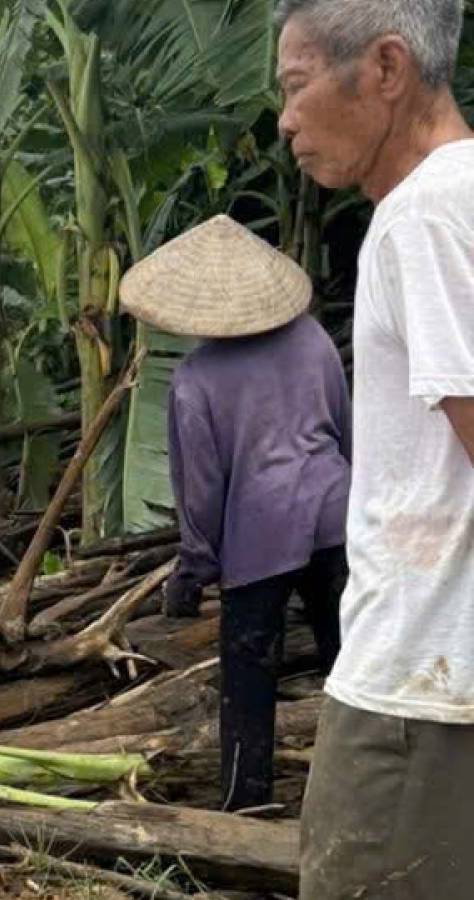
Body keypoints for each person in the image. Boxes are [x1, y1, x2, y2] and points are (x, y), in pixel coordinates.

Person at [274, 0, 474, 895]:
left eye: (296, 82)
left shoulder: (422, 215)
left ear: (386, 69)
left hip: (419, 689)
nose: (284, 118)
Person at [118, 215, 351, 813]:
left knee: (249, 679)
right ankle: (361, 795)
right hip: (336, 516)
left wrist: (192, 572)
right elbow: (344, 430)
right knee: (350, 665)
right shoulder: (314, 339)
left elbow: (200, 492)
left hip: (260, 539)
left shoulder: (195, 381)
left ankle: (248, 807)